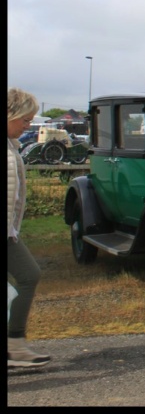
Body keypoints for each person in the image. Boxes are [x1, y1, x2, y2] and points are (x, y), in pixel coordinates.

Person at [8, 87, 51, 369]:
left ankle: (15, 345)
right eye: (25, 119)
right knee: (27, 276)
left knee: (28, 275)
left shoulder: (11, 145)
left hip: (8, 231)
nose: (28, 125)